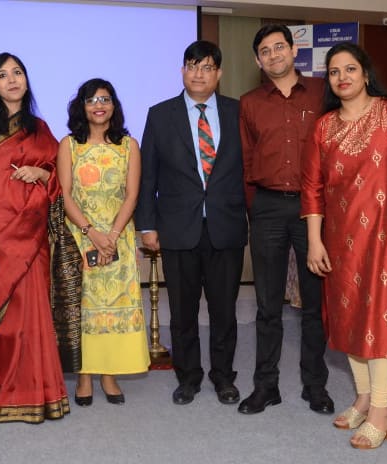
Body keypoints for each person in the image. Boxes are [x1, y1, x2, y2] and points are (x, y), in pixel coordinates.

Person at [301, 42, 387, 449]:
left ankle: (382, 409)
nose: (342, 77)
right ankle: (363, 398)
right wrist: (314, 241)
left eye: (350, 69)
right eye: (334, 72)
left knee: (382, 317)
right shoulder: (323, 127)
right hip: (341, 238)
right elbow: (312, 188)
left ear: (365, 73)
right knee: (349, 315)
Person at [135, 40, 247, 406]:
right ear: (183, 71)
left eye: (207, 66)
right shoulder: (160, 114)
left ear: (219, 73)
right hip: (177, 228)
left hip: (225, 226)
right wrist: (147, 226)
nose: (199, 73)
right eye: (192, 66)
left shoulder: (238, 112)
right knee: (182, 312)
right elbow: (148, 175)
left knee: (224, 311)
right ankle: (188, 377)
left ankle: (223, 376)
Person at [0, 52, 69, 424]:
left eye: (17, 72)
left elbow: (59, 175)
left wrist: (41, 174)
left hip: (32, 233)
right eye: (3, 75)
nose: (12, 80)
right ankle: (0, 391)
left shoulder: (40, 128)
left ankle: (38, 392)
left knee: (32, 312)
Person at [238, 24, 333, 416]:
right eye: (265, 50)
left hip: (314, 210)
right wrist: (255, 210)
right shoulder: (249, 103)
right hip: (268, 208)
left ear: (294, 50)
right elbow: (246, 159)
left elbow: (364, 112)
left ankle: (315, 386)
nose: (273, 54)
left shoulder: (323, 91)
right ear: (257, 60)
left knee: (314, 304)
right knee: (267, 305)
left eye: (279, 47)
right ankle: (266, 387)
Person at [57, 78, 150, 406]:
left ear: (114, 105)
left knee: (113, 308)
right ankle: (84, 375)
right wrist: (91, 232)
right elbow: (65, 196)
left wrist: (111, 236)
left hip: (118, 238)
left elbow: (132, 195)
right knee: (84, 309)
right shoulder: (69, 145)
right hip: (81, 237)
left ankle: (109, 373)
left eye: (105, 99)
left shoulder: (129, 145)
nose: (99, 105)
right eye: (92, 100)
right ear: (81, 106)